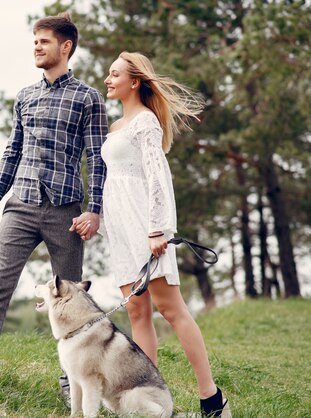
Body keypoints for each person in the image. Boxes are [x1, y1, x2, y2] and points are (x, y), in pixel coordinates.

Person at [0, 12, 107, 403]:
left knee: (74, 301)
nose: (37, 47)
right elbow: (12, 152)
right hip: (19, 206)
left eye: (44, 41)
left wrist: (95, 209)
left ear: (66, 47)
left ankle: (70, 385)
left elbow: (97, 157)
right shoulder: (25, 97)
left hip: (66, 211)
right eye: (34, 41)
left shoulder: (88, 98)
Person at [73, 51, 230, 417]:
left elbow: (158, 177)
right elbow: (109, 180)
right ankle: (151, 400)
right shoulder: (114, 128)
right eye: (108, 74)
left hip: (146, 225)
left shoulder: (146, 123)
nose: (108, 79)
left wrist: (158, 228)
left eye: (115, 75)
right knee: (138, 313)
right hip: (122, 232)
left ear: (135, 81)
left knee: (171, 309)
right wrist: (95, 217)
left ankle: (212, 399)